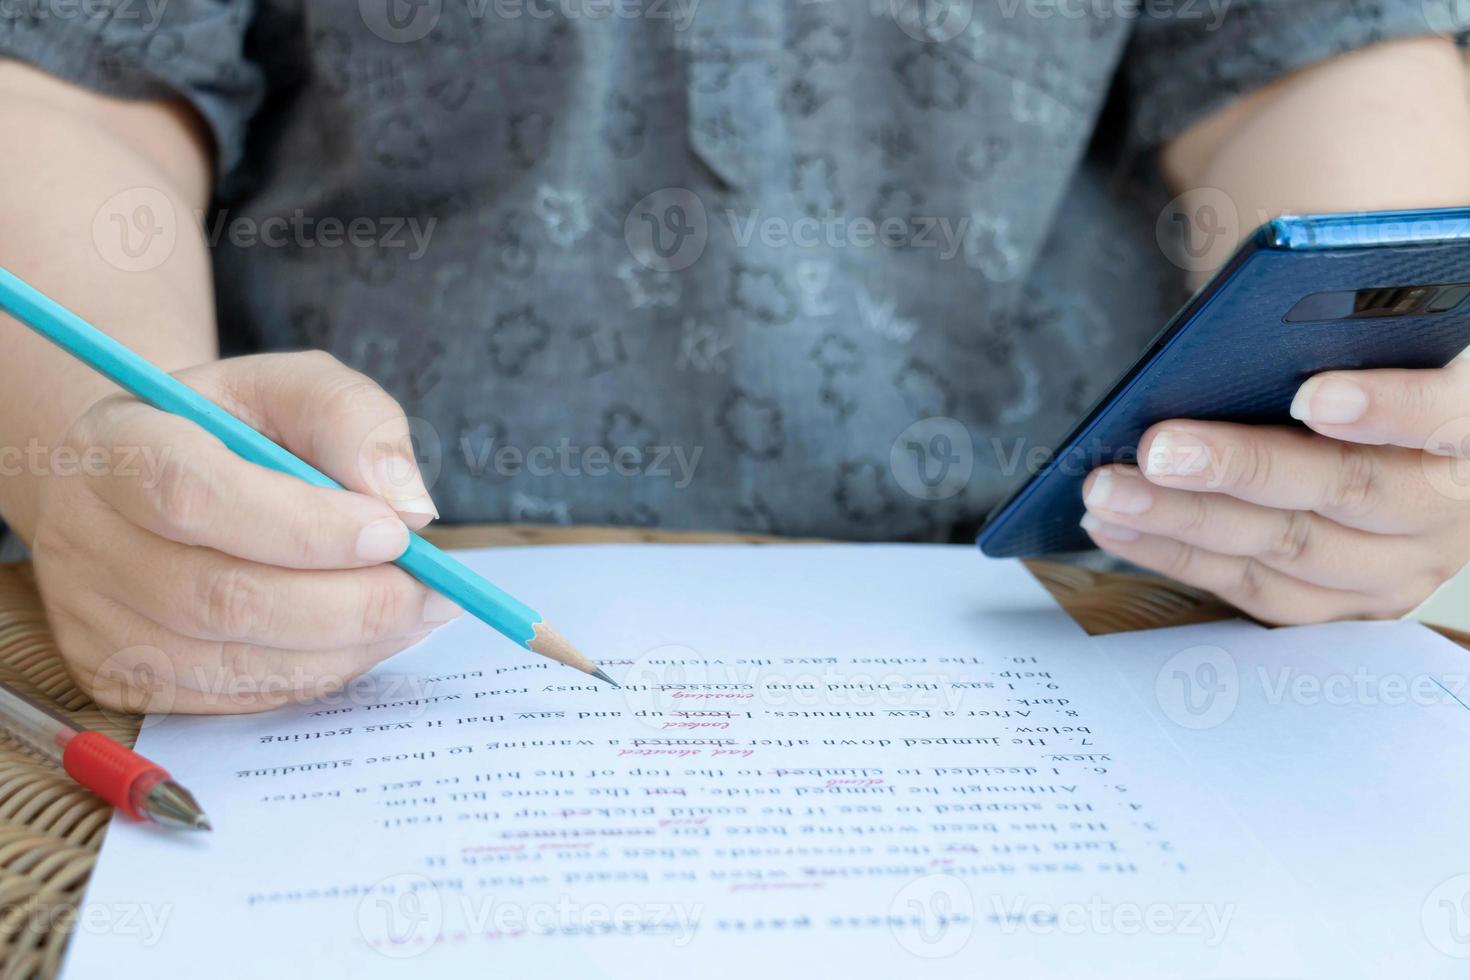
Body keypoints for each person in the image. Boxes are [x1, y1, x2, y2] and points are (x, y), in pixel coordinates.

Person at [1, 2, 1468, 713]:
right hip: (346, 574)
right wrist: (102, 428)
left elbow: (1317, 46)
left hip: (1080, 583)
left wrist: (1369, 383)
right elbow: (75, 77)